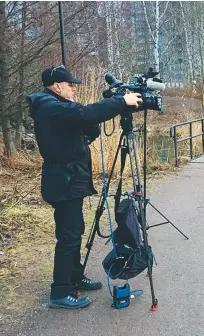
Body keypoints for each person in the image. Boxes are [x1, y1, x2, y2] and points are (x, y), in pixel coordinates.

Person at [26, 65, 143, 309]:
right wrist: (122, 102)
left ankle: (73, 277)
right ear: (57, 86)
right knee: (68, 236)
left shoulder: (58, 107)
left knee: (75, 230)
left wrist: (109, 105)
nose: (74, 89)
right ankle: (60, 292)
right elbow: (84, 115)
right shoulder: (50, 107)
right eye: (70, 85)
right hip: (63, 181)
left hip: (69, 179)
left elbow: (87, 122)